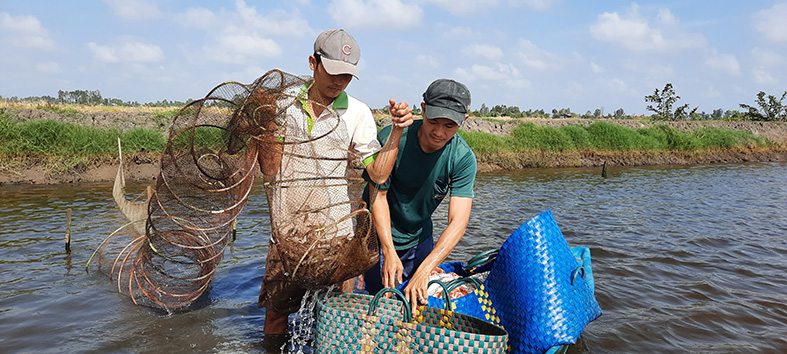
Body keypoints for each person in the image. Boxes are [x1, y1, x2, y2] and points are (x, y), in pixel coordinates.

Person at [254, 29, 413, 336]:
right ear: (313, 63)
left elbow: (378, 176)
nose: (339, 81)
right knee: (276, 316)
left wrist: (396, 132)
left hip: (336, 237)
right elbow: (270, 168)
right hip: (287, 235)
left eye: (347, 76)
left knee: (334, 320)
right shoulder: (284, 104)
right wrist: (266, 124)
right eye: (333, 72)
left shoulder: (358, 113)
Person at [363, 79, 476, 312]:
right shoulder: (393, 139)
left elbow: (458, 222)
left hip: (419, 238)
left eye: (449, 125)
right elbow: (378, 197)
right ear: (422, 109)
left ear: (464, 121)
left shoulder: (463, 158)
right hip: (375, 235)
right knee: (373, 304)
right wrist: (388, 250)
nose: (439, 132)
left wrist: (425, 270)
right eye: (433, 121)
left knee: (414, 306)